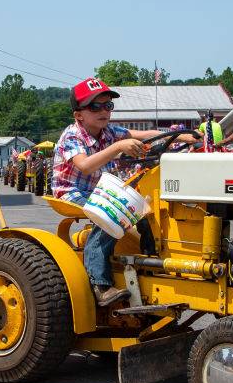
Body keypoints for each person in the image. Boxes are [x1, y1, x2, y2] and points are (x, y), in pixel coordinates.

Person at [53, 77, 194, 306]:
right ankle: (100, 284)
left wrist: (181, 136)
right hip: (71, 191)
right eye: (95, 106)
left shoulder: (108, 131)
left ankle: (152, 264)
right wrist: (117, 147)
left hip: (101, 191)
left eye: (107, 105)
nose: (103, 111)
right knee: (110, 213)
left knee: (145, 210)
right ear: (79, 115)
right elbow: (85, 166)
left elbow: (146, 134)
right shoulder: (72, 135)